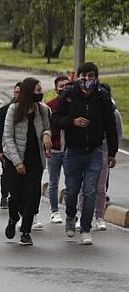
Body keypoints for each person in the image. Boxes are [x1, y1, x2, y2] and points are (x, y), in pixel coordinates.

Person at [52, 62, 118, 245]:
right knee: (72, 191)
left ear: (95, 78)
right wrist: (73, 122)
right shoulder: (69, 94)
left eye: (91, 76)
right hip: (73, 151)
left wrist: (112, 153)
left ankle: (86, 229)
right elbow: (55, 118)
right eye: (84, 76)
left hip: (95, 151)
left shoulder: (103, 96)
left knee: (90, 191)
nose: (87, 79)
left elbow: (111, 126)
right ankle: (71, 216)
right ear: (78, 76)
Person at [2, 77, 52, 246]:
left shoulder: (43, 110)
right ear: (29, 92)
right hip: (14, 159)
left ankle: (25, 231)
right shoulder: (13, 110)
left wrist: (46, 135)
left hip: (35, 159)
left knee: (32, 196)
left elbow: (47, 127)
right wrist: (17, 162)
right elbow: (7, 138)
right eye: (38, 91)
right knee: (16, 195)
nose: (41, 94)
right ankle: (13, 217)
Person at [45, 75, 70, 224]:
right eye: (61, 86)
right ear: (56, 88)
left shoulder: (74, 105)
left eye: (67, 86)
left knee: (71, 183)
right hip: (54, 150)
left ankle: (70, 212)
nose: (64, 89)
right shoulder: (49, 106)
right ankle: (54, 211)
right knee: (53, 182)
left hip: (70, 150)